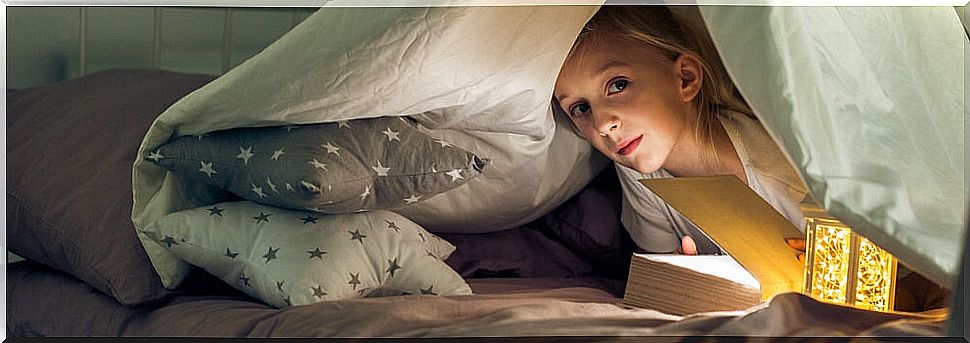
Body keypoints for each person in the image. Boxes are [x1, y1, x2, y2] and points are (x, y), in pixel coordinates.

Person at [552, 6, 810, 256]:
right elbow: (658, 267)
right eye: (581, 108)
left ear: (685, 78)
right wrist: (680, 274)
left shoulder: (779, 159)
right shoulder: (638, 175)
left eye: (618, 85)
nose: (602, 124)